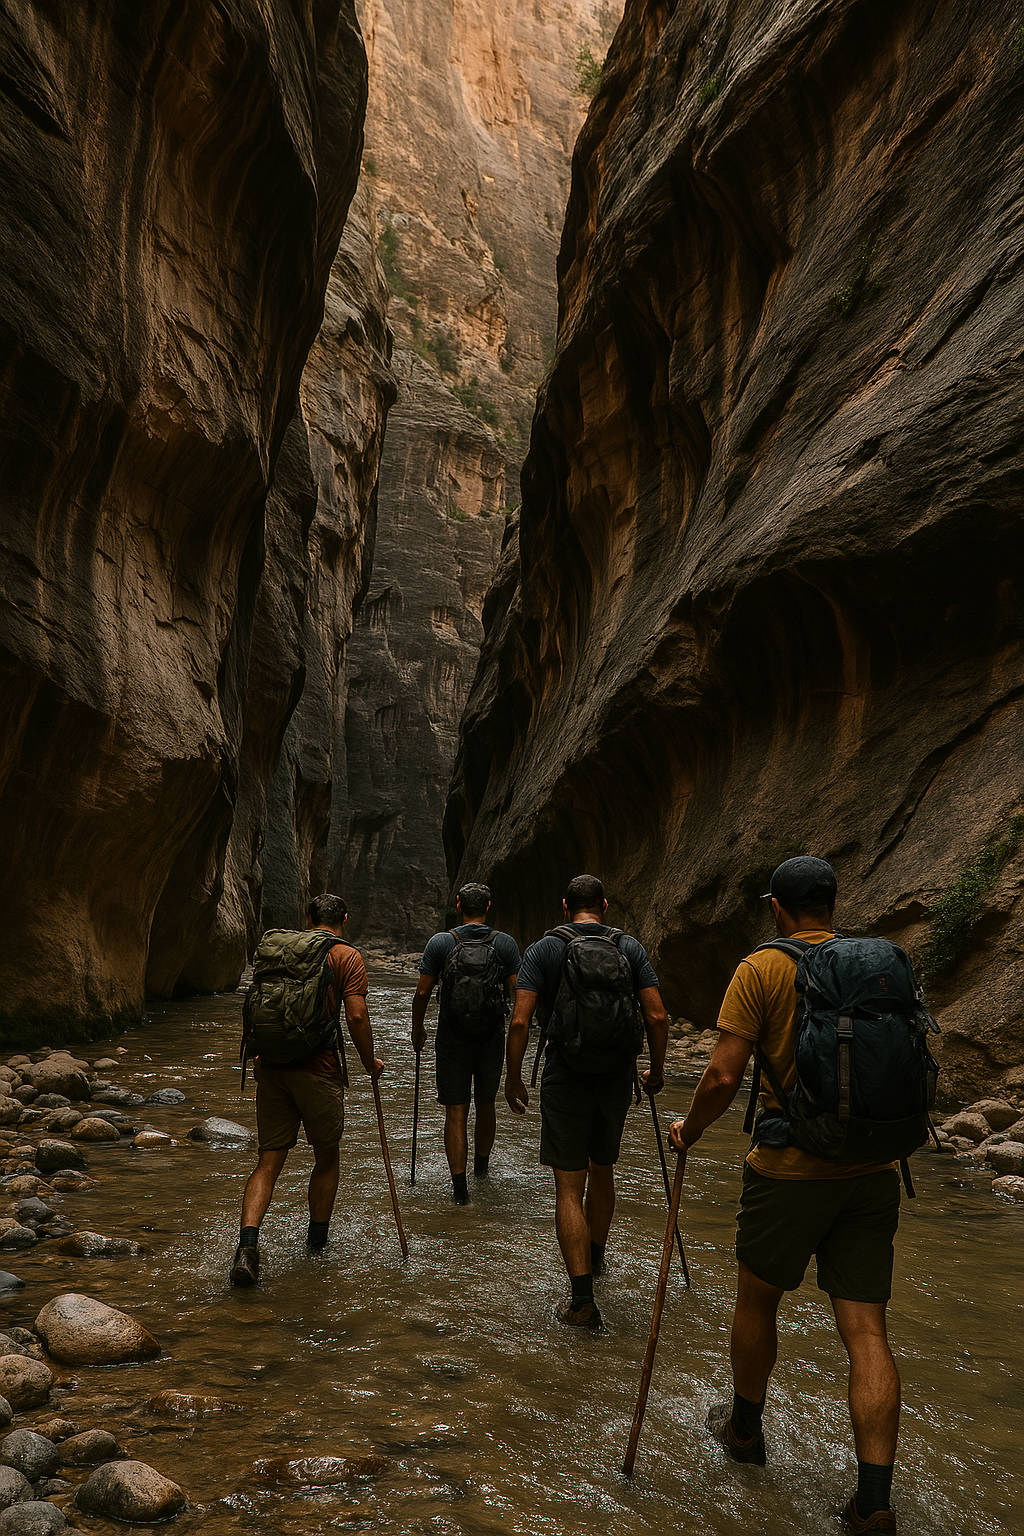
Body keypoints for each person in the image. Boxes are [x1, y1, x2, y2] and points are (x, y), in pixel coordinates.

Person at [668, 856, 902, 1535]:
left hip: (788, 1170)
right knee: (867, 1333)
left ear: (777, 907)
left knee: (757, 1300)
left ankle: (745, 1431)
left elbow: (720, 1074)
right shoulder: (878, 963)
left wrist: (691, 1132)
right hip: (871, 1169)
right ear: (833, 902)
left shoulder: (761, 967)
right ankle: (873, 1501)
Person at [505, 874, 668, 1327]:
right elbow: (656, 1014)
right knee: (603, 1169)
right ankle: (596, 1257)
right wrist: (654, 1070)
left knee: (568, 1186)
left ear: (564, 906)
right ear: (605, 906)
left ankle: (581, 1299)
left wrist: (514, 1079)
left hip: (566, 1074)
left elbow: (520, 1022)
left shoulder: (544, 950)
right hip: (616, 1075)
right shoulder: (628, 948)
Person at [230, 893, 383, 1286]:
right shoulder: (345, 956)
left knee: (268, 1161)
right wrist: (370, 1063)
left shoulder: (281, 950)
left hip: (272, 1067)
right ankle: (316, 1247)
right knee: (327, 1158)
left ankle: (247, 1247)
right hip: (319, 1069)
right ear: (344, 918)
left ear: (308, 917)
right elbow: (357, 1014)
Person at [411, 883, 521, 1203]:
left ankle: (460, 1192)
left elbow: (422, 993)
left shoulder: (441, 942)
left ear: (458, 904)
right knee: (486, 1104)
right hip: (491, 1037)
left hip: (452, 1037)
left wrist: (418, 1030)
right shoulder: (505, 944)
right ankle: (482, 1172)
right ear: (488, 906)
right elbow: (519, 993)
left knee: (455, 1111)